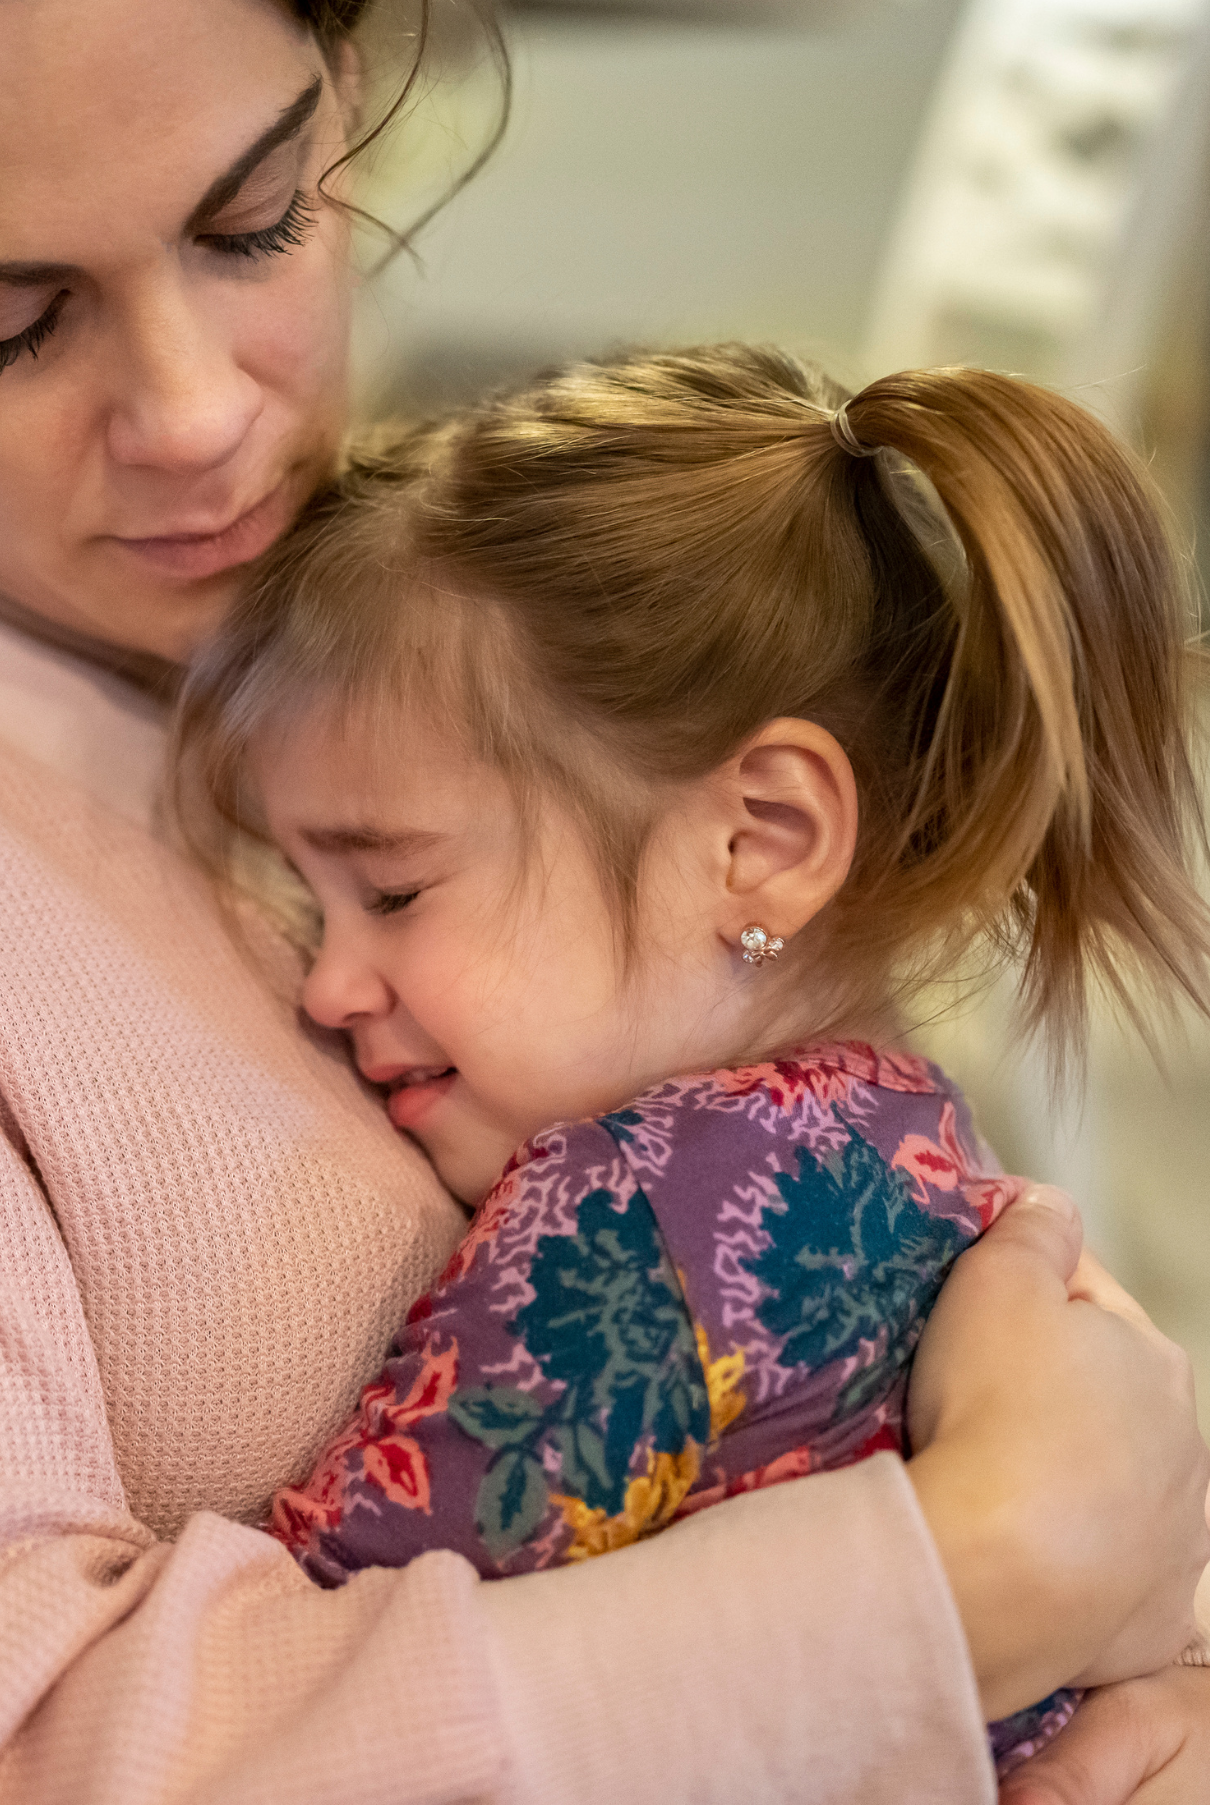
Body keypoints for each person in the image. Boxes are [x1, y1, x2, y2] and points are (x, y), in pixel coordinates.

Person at [0, 0, 1210, 1799]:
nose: (202, 412)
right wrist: (966, 1587)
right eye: (3, 322)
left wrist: (1148, 1663)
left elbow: (908, 1300)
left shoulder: (479, 630)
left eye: (253, 223)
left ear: (349, 106)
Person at [169, 344, 1210, 1784]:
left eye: (393, 891)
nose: (329, 983)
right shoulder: (913, 1138)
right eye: (307, 902)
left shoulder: (628, 1224)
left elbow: (314, 1698)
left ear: (759, 842)